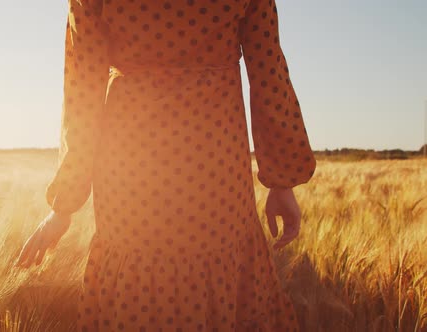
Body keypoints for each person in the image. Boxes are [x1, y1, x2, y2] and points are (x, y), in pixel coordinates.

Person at [17, 0, 316, 330]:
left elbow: (83, 87)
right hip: (215, 166)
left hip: (130, 169)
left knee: (134, 288)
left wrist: (64, 204)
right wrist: (282, 181)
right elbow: (268, 71)